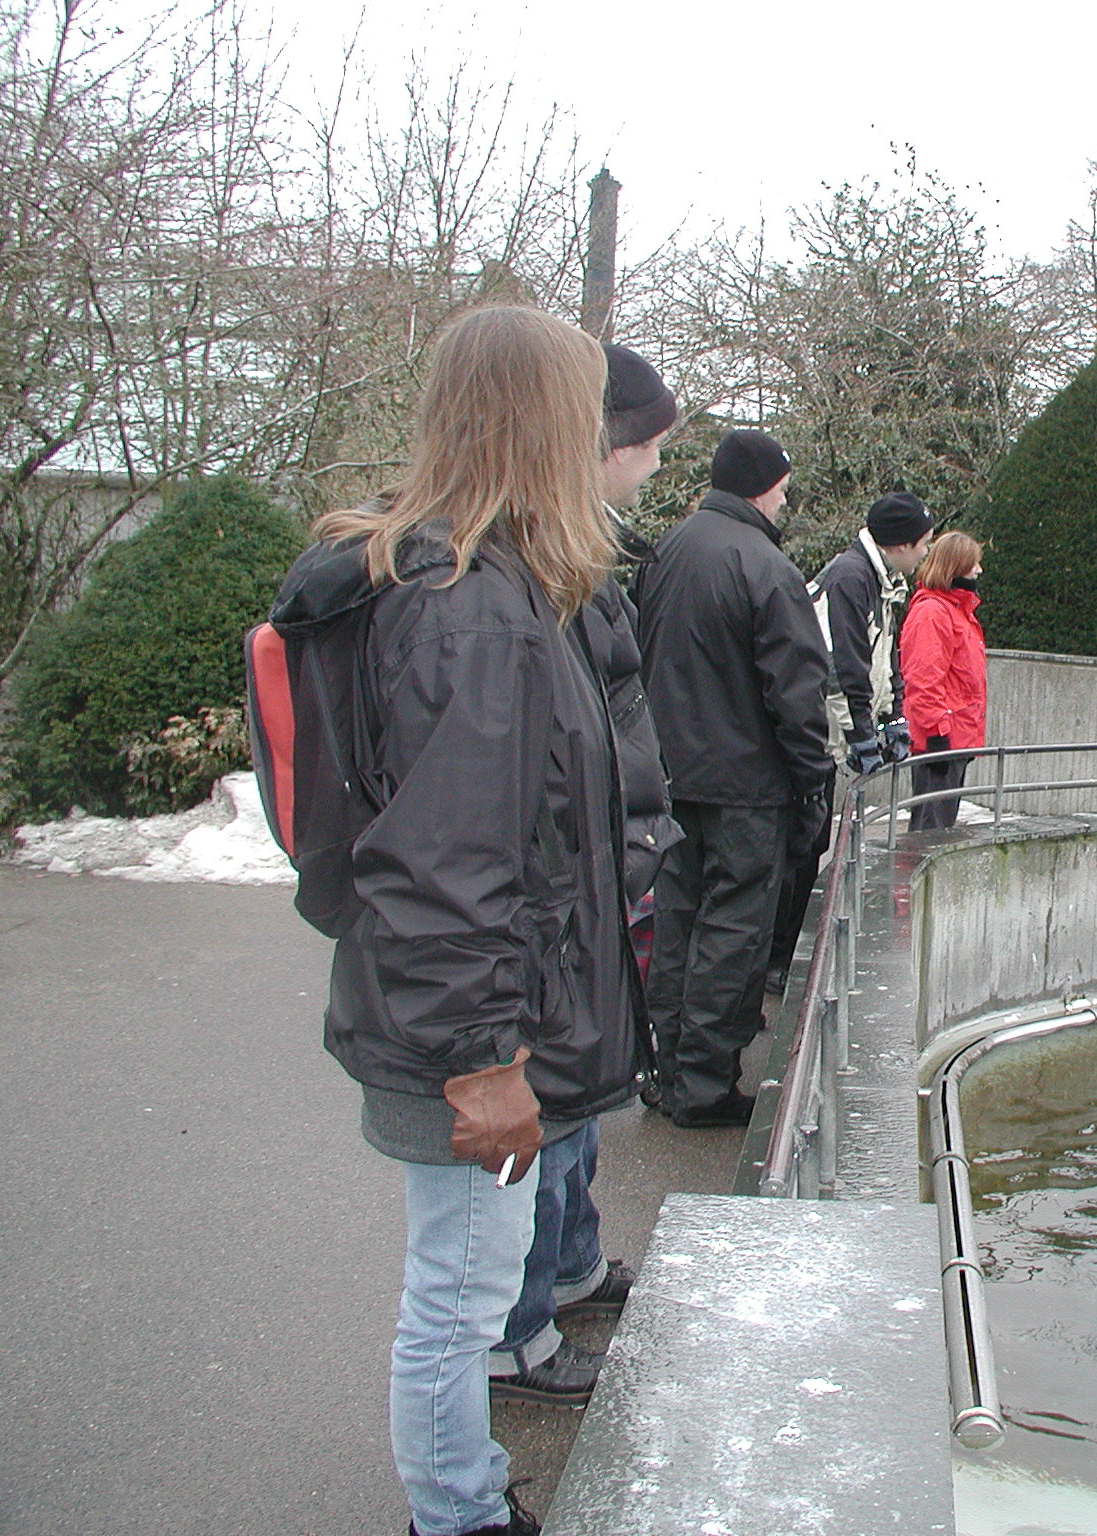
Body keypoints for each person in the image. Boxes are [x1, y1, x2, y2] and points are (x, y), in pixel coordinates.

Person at [267, 303, 645, 1536]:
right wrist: (486, 1062)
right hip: (471, 1035)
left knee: (462, 1287)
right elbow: (448, 864)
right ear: (542, 425)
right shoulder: (468, 607)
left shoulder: (477, 583)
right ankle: (457, 1514)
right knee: (458, 1301)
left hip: (473, 1016)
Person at [484, 342, 680, 1409]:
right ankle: (518, 1331)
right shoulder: (531, 571)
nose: (654, 464)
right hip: (564, 886)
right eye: (648, 444)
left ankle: (565, 1268)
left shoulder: (576, 556)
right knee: (550, 1103)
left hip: (599, 869)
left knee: (577, 1107)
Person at [634, 430, 832, 1127]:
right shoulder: (766, 567)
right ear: (761, 487)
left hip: (671, 776)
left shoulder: (664, 553)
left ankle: (668, 1069)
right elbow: (797, 695)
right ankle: (704, 1084)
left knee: (678, 924)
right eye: (783, 488)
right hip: (746, 787)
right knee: (732, 933)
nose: (785, 500)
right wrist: (813, 782)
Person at [765, 491, 934, 993]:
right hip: (811, 733)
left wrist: (892, 715)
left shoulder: (881, 581)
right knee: (801, 844)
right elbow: (840, 663)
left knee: (812, 841)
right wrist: (861, 731)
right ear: (900, 544)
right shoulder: (850, 577)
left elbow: (884, 656)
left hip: (827, 733)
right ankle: (775, 961)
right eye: (923, 542)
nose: (926, 552)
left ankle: (781, 955)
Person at [899, 530, 987, 832]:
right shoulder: (933, 613)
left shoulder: (957, 611)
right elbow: (923, 680)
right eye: (972, 564)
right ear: (955, 566)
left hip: (955, 737)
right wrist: (937, 735)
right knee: (931, 827)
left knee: (940, 824)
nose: (978, 571)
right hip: (941, 739)